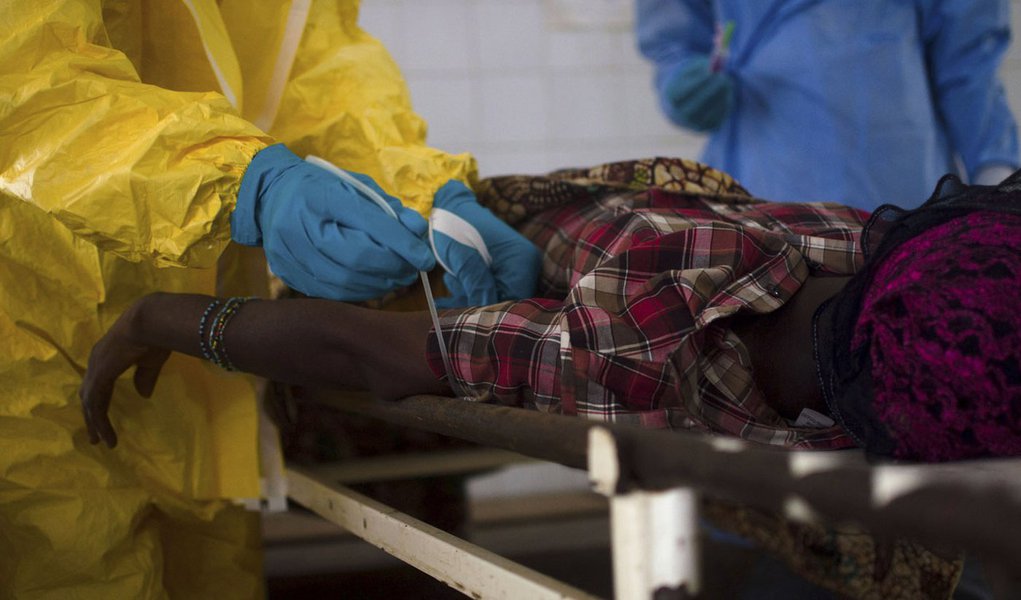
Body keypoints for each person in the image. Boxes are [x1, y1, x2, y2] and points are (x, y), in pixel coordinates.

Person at [80, 157, 1021, 598]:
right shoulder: (628, 356)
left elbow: (383, 358)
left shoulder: (869, 246)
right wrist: (166, 316)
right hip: (567, 258)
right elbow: (376, 355)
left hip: (603, 242)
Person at [0, 1, 538, 596]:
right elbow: (28, 83)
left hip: (205, 381)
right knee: (64, 557)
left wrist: (424, 189)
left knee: (209, 570)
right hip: (32, 337)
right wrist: (238, 184)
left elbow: (321, 77)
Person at [636, 0, 1021, 211]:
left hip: (902, 181)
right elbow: (676, 37)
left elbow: (968, 61)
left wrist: (996, 172)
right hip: (766, 177)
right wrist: (684, 80)